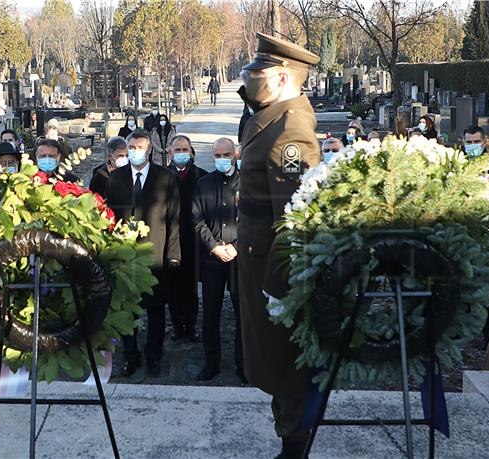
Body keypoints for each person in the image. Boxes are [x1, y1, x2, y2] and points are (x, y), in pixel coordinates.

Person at [236, 33, 321, 459]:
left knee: (284, 360)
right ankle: (288, 436)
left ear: (284, 77)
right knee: (270, 357)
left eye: (257, 73)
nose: (249, 79)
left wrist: (278, 286)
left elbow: (293, 218)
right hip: (254, 259)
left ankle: (294, 447)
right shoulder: (270, 114)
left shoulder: (292, 132)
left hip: (270, 267)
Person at [105, 129, 181, 377]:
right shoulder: (116, 179)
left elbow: (174, 219)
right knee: (127, 309)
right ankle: (130, 356)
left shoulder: (166, 177)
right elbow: (109, 217)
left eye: (141, 148)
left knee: (156, 309)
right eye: (132, 148)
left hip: (155, 253)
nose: (136, 152)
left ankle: (154, 355)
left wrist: (173, 254)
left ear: (149, 150)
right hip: (125, 255)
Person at [191, 138, 242, 382]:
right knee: (211, 313)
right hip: (212, 259)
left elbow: (253, 220)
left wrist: (236, 247)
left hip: (239, 260)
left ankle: (243, 364)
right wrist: (214, 247)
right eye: (218, 155)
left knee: (243, 314)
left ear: (235, 154)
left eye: (226, 154)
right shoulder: (204, 184)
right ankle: (211, 363)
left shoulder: (248, 183)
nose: (222, 159)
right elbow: (197, 220)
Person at [167, 135, 207, 342]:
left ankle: (190, 324)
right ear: (170, 153)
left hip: (193, 239)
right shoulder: (163, 177)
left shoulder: (202, 176)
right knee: (173, 285)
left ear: (191, 152)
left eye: (185, 150)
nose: (181, 154)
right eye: (177, 150)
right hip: (171, 238)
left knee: (190, 286)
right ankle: (176, 325)